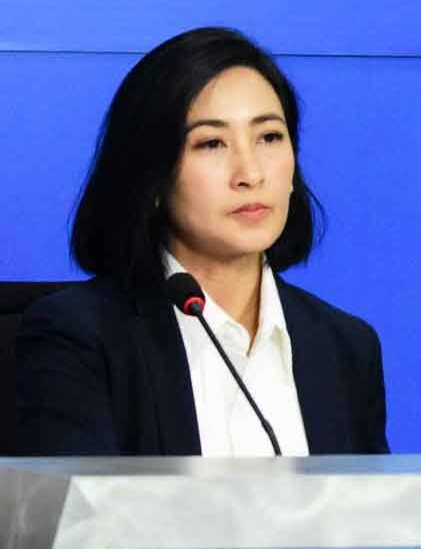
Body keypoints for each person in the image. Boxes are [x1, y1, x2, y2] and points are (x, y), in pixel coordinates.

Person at [16, 27, 389, 456]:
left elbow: (370, 502)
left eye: (269, 137)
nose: (250, 174)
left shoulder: (346, 348)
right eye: (211, 143)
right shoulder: (79, 339)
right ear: (153, 177)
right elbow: (84, 501)